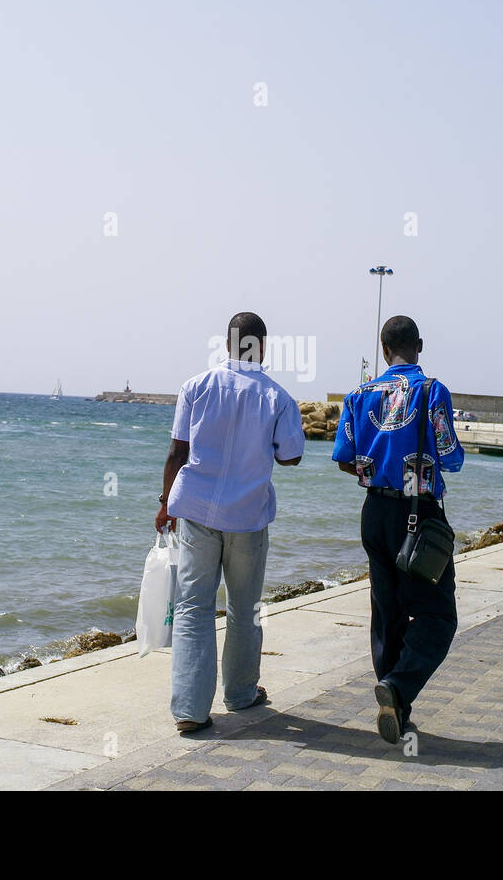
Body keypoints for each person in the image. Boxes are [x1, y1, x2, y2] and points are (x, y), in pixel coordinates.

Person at [155, 312, 305, 734]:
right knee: (244, 609)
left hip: (197, 514)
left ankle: (189, 710)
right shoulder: (277, 397)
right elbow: (290, 457)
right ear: (263, 347)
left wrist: (166, 503)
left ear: (226, 344)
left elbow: (176, 452)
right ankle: (240, 694)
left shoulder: (196, 386)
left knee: (191, 607)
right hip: (248, 518)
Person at [332, 315, 464, 743]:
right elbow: (451, 456)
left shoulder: (358, 395)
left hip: (374, 513)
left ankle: (397, 704)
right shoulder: (432, 391)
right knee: (438, 614)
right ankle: (399, 687)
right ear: (419, 346)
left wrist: (377, 467)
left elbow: (344, 458)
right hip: (418, 513)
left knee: (386, 611)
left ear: (384, 349)